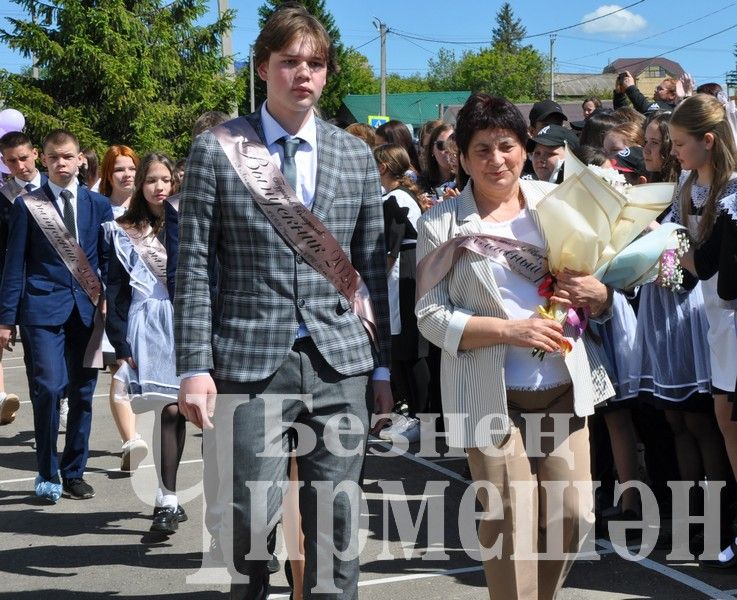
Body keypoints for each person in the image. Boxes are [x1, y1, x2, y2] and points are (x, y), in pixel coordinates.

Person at [173, 4, 392, 598]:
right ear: (263, 67)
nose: (303, 74)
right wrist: (193, 366)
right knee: (247, 518)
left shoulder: (354, 156)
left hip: (339, 362)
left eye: (315, 63)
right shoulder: (218, 151)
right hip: (248, 358)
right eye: (290, 61)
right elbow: (191, 265)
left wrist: (382, 366)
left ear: (327, 72)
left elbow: (371, 267)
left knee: (337, 520)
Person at [415, 92, 613, 600]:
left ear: (524, 149)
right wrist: (509, 330)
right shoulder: (441, 223)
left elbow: (598, 290)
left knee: (570, 517)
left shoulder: (556, 204)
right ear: (460, 156)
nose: (495, 159)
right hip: (490, 397)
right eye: (481, 149)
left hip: (563, 390)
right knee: (509, 525)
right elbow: (430, 317)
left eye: (505, 146)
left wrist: (601, 294)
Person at [0, 129, 112, 503]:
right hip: (41, 309)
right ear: (43, 160)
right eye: (53, 157)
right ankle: (47, 472)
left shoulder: (98, 205)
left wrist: (109, 300)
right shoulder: (28, 205)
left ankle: (74, 471)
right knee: (48, 389)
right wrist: (5, 319)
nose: (61, 163)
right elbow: (14, 264)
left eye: (67, 156)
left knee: (82, 393)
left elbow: (107, 261)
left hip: (86, 311)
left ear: (80, 159)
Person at [668, 94, 737, 566]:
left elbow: (723, 274)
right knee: (724, 422)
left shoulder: (733, 196)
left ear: (707, 141)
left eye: (678, 142)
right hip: (715, 324)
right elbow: (691, 271)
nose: (673, 151)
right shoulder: (687, 188)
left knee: (729, 423)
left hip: (734, 322)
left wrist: (670, 252)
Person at [104, 152, 188, 534]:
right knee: (167, 408)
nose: (159, 187)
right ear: (141, 184)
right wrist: (119, 343)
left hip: (185, 322)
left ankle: (169, 497)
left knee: (178, 410)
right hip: (145, 323)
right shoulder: (123, 229)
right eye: (151, 179)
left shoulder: (187, 223)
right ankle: (167, 497)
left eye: (165, 180)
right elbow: (116, 289)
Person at [373, 143, 430, 443]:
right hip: (403, 273)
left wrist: (375, 280)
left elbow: (391, 250)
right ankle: (412, 415)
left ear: (383, 167)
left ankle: (422, 416)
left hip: (405, 274)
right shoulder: (395, 197)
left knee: (410, 347)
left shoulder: (396, 199)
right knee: (401, 347)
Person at [99, 144, 148, 471]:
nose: (126, 175)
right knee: (121, 367)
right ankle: (130, 439)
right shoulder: (99, 211)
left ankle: (142, 437)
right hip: (113, 301)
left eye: (131, 168)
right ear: (108, 174)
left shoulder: (150, 210)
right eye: (119, 169)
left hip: (148, 304)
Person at [0, 131, 44, 426]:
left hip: (57, 283)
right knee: (37, 358)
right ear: (4, 162)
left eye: (24, 158)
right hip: (20, 285)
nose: (20, 166)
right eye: (12, 161)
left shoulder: (58, 188)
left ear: (36, 154)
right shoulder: (4, 199)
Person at [642, 111, 680, 183]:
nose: (645, 150)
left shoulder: (685, 185)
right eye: (646, 141)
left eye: (654, 142)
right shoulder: (651, 177)